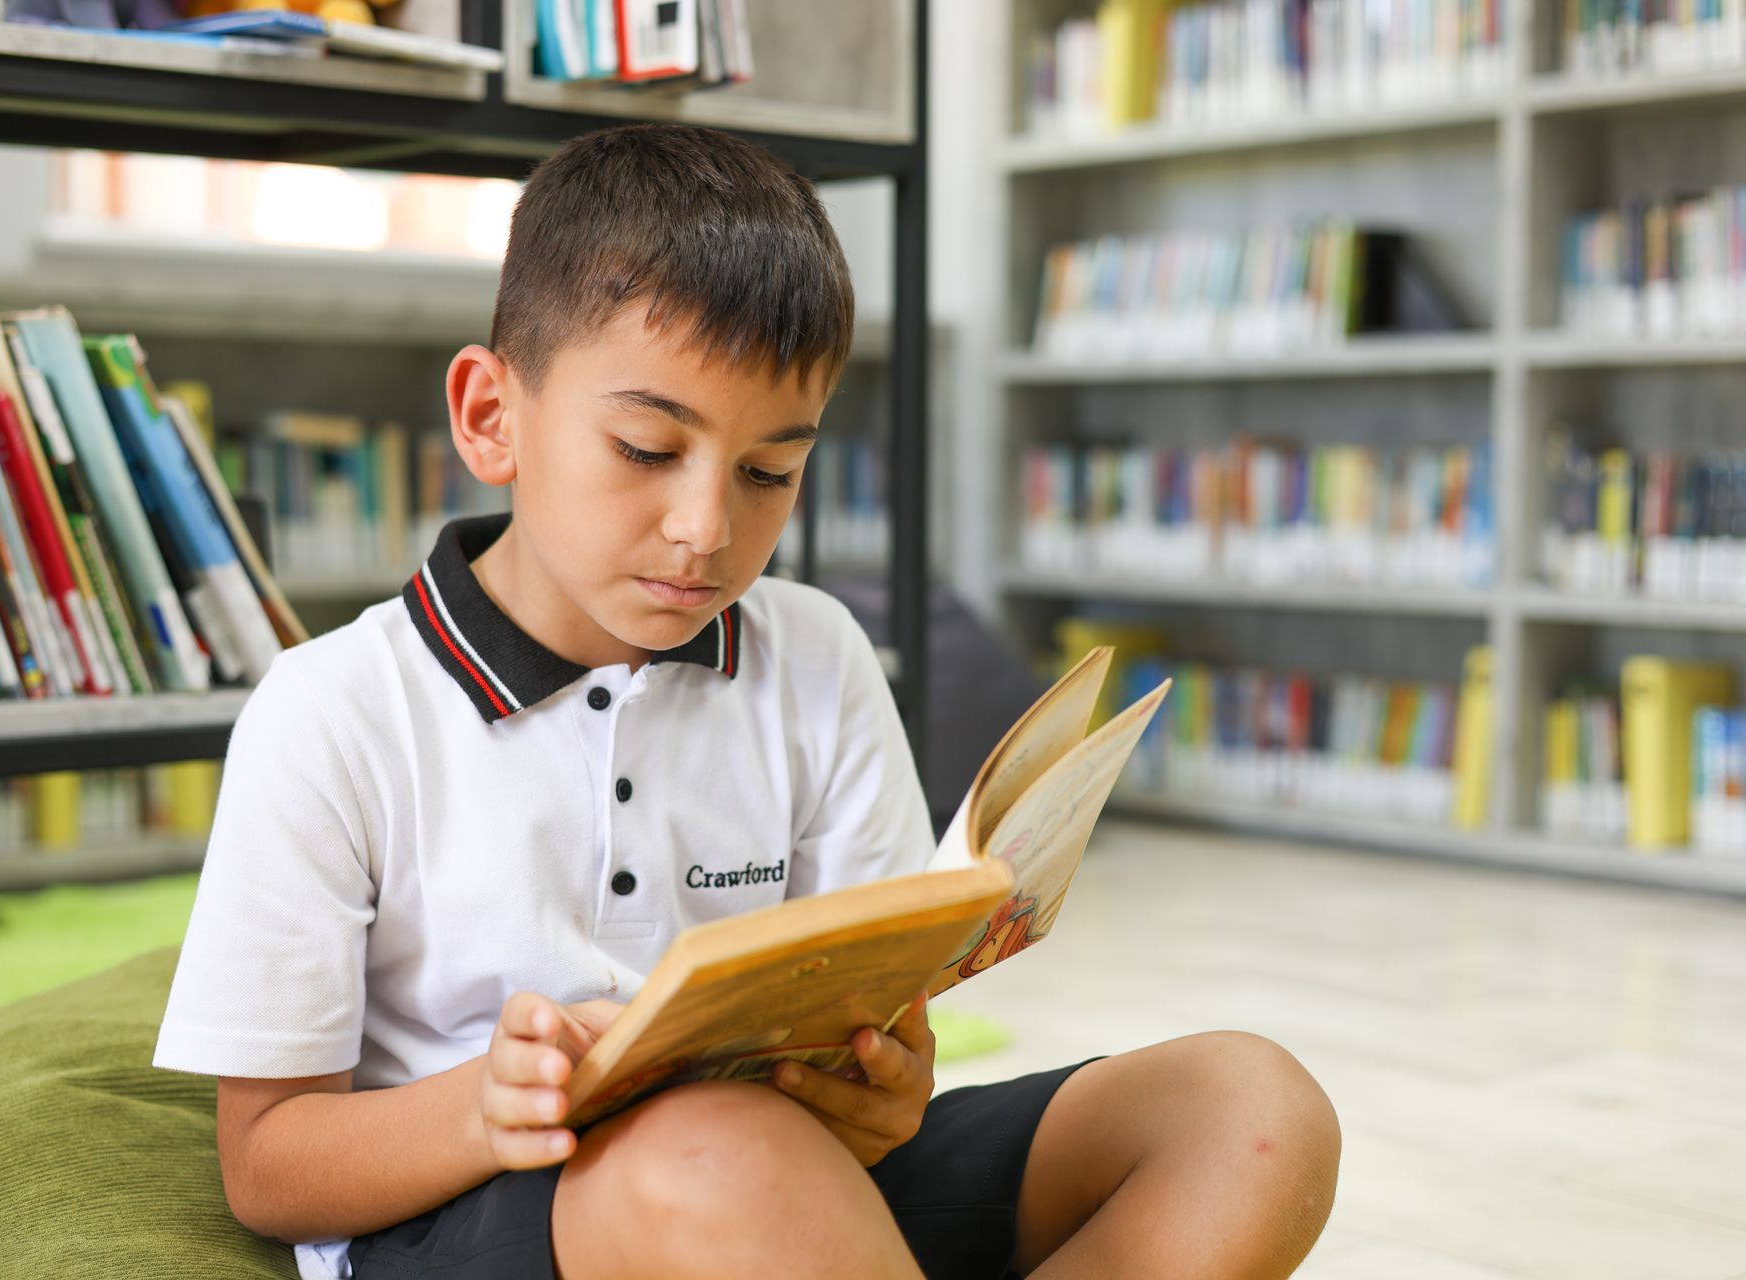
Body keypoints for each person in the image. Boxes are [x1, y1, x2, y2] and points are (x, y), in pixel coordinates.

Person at [153, 122, 1341, 1280]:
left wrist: (885, 1091)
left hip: (793, 1186)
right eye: (645, 447)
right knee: (716, 1150)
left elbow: (871, 1020)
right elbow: (267, 1166)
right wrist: (484, 1105)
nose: (706, 528)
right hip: (481, 1214)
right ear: (490, 417)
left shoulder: (817, 652)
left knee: (1246, 1109)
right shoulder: (330, 711)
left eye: (770, 470)